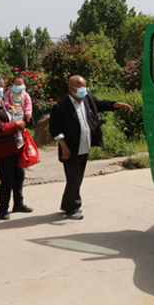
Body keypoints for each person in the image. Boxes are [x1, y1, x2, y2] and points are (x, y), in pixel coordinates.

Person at [50, 76, 133, 220]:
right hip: (70, 149)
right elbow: (55, 130)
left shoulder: (87, 99)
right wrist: (64, 147)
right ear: (71, 88)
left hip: (84, 146)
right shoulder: (61, 107)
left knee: (76, 178)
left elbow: (101, 104)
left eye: (85, 86)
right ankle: (73, 209)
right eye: (81, 87)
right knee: (74, 178)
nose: (84, 90)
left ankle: (67, 204)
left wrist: (116, 104)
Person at [0, 76, 33, 220]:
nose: (1, 89)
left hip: (16, 145)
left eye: (2, 86)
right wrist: (16, 125)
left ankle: (18, 203)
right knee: (7, 179)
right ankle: (3, 209)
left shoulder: (3, 102)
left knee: (19, 176)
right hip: (3, 148)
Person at [3, 73, 33, 149]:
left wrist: (28, 113)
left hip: (20, 111)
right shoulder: (9, 93)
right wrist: (8, 105)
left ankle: (19, 138)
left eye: (20, 84)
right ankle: (13, 138)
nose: (17, 86)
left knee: (16, 123)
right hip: (11, 110)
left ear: (24, 84)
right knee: (11, 122)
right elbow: (6, 100)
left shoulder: (25, 95)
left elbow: (28, 105)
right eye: (16, 84)